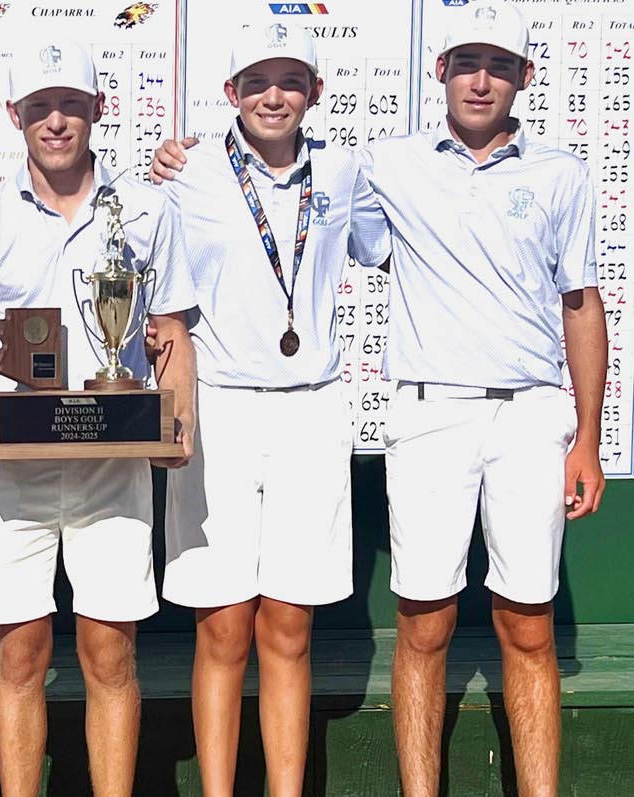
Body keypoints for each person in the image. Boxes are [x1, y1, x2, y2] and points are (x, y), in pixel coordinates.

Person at [153, 3, 605, 794]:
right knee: (373, 625)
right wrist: (169, 154)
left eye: (499, 66)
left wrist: (588, 438)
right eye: (467, 63)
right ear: (439, 71)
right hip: (364, 412)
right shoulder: (355, 166)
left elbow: (578, 301)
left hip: (509, 413)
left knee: (516, 625)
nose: (481, 81)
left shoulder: (379, 170)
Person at [0, 41, 196, 796]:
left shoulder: (146, 209)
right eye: (40, 107)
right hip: (14, 477)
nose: (56, 122)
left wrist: (179, 422)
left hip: (114, 471)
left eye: (71, 105)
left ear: (98, 110)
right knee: (18, 658)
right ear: (15, 116)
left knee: (111, 657)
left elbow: (172, 332)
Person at [146, 22, 390, 796]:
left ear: (315, 92)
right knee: (222, 626)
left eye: (289, 81)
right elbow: (122, 251)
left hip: (311, 411)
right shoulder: (186, 174)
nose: (272, 97)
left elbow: (389, 247)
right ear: (231, 93)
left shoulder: (346, 171)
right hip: (217, 409)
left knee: (289, 626)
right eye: (256, 82)